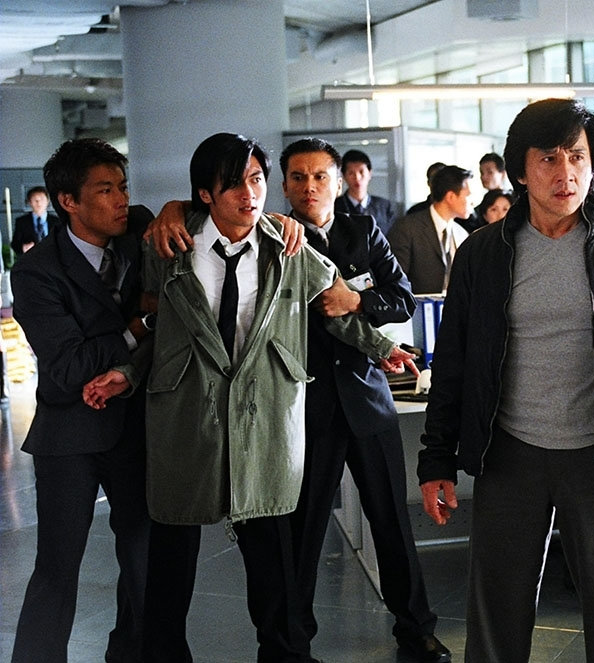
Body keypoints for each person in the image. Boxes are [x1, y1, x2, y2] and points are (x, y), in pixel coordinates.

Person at [417, 99, 594, 663]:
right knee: (495, 626)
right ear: (521, 170)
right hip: (509, 454)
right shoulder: (482, 255)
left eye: (577, 157)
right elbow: (455, 365)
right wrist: (436, 458)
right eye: (548, 158)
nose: (565, 173)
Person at [135, 133, 414, 663]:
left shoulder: (288, 244)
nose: (250, 193)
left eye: (257, 180)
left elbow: (337, 306)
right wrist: (127, 369)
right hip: (188, 413)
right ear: (204, 194)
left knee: (272, 546)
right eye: (234, 184)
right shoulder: (170, 243)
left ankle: (287, 655)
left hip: (266, 410)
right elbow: (152, 316)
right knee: (174, 548)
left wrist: (382, 347)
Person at [278, 137, 451, 662]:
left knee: (391, 521)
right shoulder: (275, 239)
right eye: (298, 177)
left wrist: (356, 298)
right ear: (285, 185)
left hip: (367, 400)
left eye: (320, 176)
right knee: (303, 531)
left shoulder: (363, 231)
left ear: (337, 182)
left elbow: (402, 298)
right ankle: (294, 644)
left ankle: (415, 628)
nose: (310, 187)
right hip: (305, 406)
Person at [10, 139, 153, 663]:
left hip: (136, 426)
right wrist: (139, 326)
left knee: (144, 562)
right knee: (57, 568)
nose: (121, 199)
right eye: (105, 190)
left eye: (123, 187)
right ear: (68, 201)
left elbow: (189, 213)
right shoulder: (35, 272)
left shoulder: (138, 232)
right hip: (70, 435)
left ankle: (130, 654)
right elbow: (69, 369)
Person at [387, 165, 472, 294]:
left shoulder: (462, 234)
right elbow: (395, 281)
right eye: (468, 196)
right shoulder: (407, 228)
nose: (472, 202)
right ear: (450, 197)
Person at [334, 148, 398, 235]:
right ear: (344, 176)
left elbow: (392, 236)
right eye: (351, 173)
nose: (357, 178)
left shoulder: (384, 207)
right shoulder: (335, 206)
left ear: (370, 174)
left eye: (361, 172)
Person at [12, 185, 57, 254]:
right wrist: (23, 248)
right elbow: (15, 244)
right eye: (35, 200)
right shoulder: (21, 222)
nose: (38, 202)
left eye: (42, 199)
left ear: (47, 201)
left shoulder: (57, 221)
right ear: (29, 202)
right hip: (31, 257)